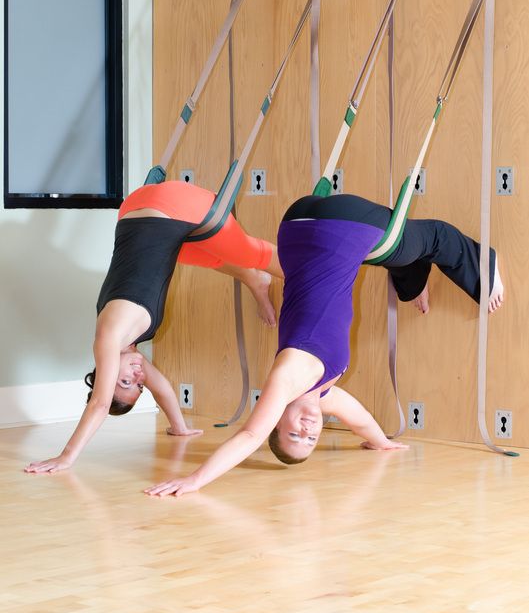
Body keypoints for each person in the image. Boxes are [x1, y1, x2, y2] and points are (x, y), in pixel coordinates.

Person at [144, 192, 503, 498]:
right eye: (311, 439)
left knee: (435, 237)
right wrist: (380, 443)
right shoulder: (320, 392)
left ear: (277, 419)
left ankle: (486, 264)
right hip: (295, 226)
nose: (308, 429)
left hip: (344, 224)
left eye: (293, 433)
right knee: (397, 251)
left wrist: (194, 480)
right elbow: (359, 419)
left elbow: (251, 433)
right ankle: (412, 283)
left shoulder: (290, 375)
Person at [25, 180, 283, 474]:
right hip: (136, 207)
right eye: (137, 385)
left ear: (103, 376)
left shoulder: (108, 336)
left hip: (173, 205)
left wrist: (66, 457)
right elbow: (160, 387)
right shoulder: (128, 341)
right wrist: (179, 427)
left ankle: (309, 272)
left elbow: (99, 403)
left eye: (124, 382)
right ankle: (255, 280)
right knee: (196, 252)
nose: (137, 376)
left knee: (252, 253)